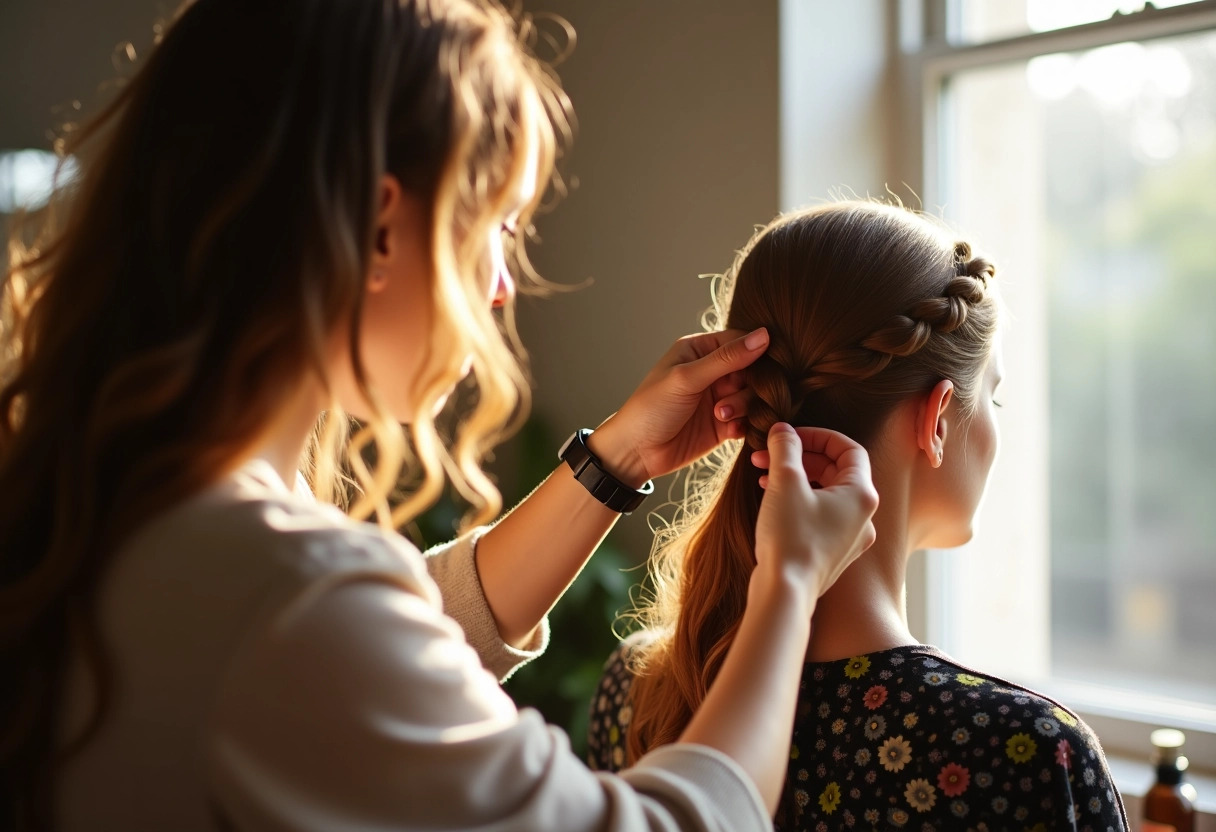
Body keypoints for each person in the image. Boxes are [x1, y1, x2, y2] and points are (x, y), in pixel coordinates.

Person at [0, 1, 883, 830]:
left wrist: (611, 463)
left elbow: (371, 656)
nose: (501, 288)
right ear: (383, 227)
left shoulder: (110, 508)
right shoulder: (285, 602)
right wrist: (788, 582)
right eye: (496, 226)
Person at [588, 201, 1131, 831]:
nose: (997, 424)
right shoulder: (1028, 752)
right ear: (936, 419)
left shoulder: (639, 688)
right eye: (995, 396)